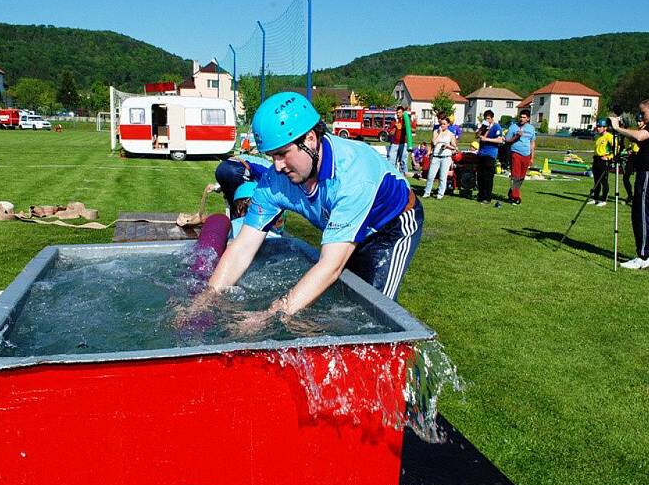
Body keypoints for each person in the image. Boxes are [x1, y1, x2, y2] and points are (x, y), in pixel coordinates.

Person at [188, 92, 423, 330]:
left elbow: (330, 266)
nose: (277, 166)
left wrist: (270, 314)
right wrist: (205, 299)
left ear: (310, 139)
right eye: (271, 156)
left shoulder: (352, 176)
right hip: (344, 225)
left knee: (372, 318)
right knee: (336, 304)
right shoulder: (274, 180)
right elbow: (242, 247)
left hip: (389, 230)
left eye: (282, 154)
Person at [609, 99, 649, 270]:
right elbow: (640, 140)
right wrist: (625, 130)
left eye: (643, 113)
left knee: (642, 214)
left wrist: (617, 128)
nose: (642, 117)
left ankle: (643, 255)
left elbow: (639, 136)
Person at [211, 153, 273, 218]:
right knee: (246, 205)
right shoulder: (271, 173)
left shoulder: (270, 169)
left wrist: (219, 186)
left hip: (223, 168)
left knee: (235, 205)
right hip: (235, 169)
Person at [504, 109, 536, 205]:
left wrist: (532, 157)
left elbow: (532, 143)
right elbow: (507, 140)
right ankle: (516, 197)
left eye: (524, 117)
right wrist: (516, 137)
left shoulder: (531, 128)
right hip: (515, 153)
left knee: (521, 177)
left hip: (526, 154)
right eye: (520, 117)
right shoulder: (513, 127)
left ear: (528, 119)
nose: (521, 119)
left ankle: (511, 193)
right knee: (516, 175)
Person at [423, 117, 458, 199]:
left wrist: (447, 146)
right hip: (436, 157)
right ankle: (427, 192)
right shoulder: (436, 132)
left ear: (448, 124)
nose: (442, 125)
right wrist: (440, 133)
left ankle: (440, 194)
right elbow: (434, 142)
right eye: (441, 124)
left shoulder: (451, 134)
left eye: (444, 124)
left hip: (446, 157)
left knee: (443, 177)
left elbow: (455, 147)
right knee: (431, 176)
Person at [475, 110, 504, 204]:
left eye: (488, 118)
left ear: (492, 118)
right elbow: (477, 136)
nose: (487, 120)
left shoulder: (496, 127)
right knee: (480, 176)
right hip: (481, 153)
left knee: (488, 176)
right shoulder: (483, 127)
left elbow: (499, 140)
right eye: (485, 118)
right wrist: (480, 130)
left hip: (490, 154)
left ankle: (487, 197)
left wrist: (486, 139)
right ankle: (481, 195)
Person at [587, 119, 614, 207]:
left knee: (603, 180)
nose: (598, 128)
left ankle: (603, 199)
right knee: (596, 180)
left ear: (605, 127)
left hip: (604, 160)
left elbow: (616, 149)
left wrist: (609, 157)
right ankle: (595, 198)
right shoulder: (597, 137)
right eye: (597, 126)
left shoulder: (609, 136)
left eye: (600, 127)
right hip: (596, 159)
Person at [622, 112, 643, 205]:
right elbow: (629, 140)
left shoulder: (646, 131)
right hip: (633, 156)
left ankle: (638, 198)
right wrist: (629, 149)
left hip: (641, 156)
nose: (639, 123)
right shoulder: (635, 131)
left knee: (639, 179)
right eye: (638, 121)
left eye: (640, 121)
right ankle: (630, 195)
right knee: (626, 177)